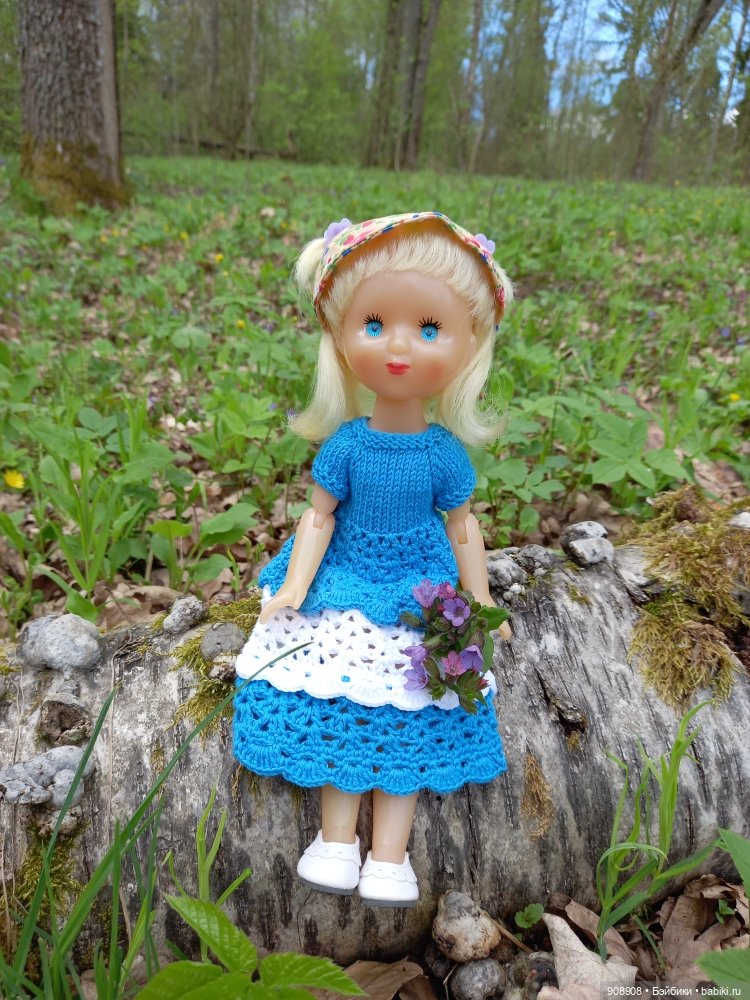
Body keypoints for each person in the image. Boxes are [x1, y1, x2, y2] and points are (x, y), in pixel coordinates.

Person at [233, 211, 513, 907]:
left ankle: (390, 855)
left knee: (413, 712)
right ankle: (335, 842)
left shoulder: (443, 453)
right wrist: (294, 586)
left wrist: (479, 599)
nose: (399, 347)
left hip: (421, 595)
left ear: (470, 343)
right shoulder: (348, 446)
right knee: (339, 704)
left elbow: (462, 527)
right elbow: (319, 517)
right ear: (339, 335)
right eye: (375, 324)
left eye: (429, 328)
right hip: (345, 581)